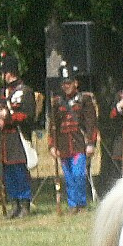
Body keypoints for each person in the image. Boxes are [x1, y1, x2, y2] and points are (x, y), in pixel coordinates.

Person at [48, 63, 99, 212]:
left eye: (69, 83)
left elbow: (91, 123)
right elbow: (53, 126)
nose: (66, 86)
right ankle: (72, 205)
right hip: (63, 145)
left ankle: (81, 203)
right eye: (64, 83)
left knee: (78, 175)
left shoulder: (84, 100)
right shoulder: (57, 102)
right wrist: (52, 145)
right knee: (69, 178)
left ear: (75, 83)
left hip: (79, 144)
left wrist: (91, 143)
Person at [0, 51, 36, 218]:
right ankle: (14, 203)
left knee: (19, 171)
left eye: (4, 72)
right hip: (3, 139)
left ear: (9, 72)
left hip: (17, 137)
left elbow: (27, 115)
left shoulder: (25, 91)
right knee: (8, 173)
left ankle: (24, 204)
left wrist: (8, 118)